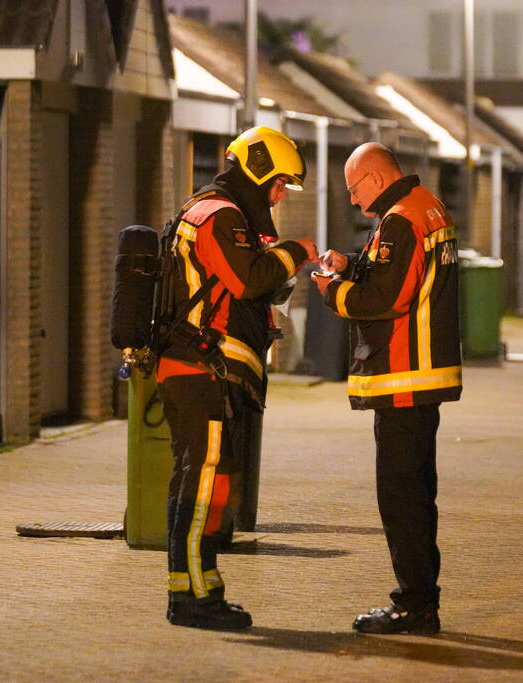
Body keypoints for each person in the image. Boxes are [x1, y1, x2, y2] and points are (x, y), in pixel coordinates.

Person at [158, 126, 317, 630]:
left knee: (212, 480)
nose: (278, 196)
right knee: (203, 481)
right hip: (198, 368)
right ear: (257, 170)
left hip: (210, 370)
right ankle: (191, 599)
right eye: (278, 184)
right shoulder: (217, 215)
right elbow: (247, 278)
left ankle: (200, 588)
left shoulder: (229, 214)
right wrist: (297, 251)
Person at [312, 142, 462, 635]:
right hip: (424, 377)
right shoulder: (427, 208)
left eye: (355, 190)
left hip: (404, 375)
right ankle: (422, 600)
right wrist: (351, 263)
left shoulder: (401, 218)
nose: (355, 201)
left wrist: (333, 291)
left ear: (375, 178)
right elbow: (397, 272)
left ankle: (414, 605)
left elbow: (387, 295)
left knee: (401, 497)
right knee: (418, 493)